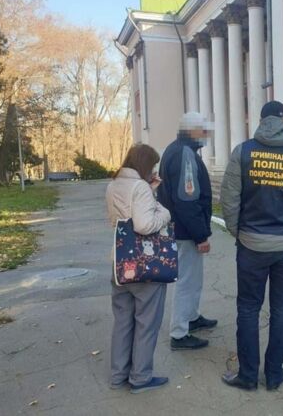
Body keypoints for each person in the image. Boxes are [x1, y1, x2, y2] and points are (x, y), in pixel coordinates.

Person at [219, 101, 283, 391]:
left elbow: (229, 198)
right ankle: (274, 374)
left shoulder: (243, 152)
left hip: (251, 244)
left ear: (261, 120)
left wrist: (238, 232)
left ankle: (248, 376)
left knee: (248, 309)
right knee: (282, 308)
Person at [106, 143, 171, 394]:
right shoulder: (140, 187)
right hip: (145, 265)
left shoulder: (113, 184)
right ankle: (141, 377)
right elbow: (144, 225)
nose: (154, 170)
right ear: (145, 165)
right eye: (152, 166)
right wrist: (164, 212)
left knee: (122, 322)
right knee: (146, 322)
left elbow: (121, 218)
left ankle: (118, 376)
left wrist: (149, 192)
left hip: (119, 262)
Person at [157, 112, 218, 351]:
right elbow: (187, 199)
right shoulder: (184, 154)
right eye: (203, 129)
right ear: (191, 130)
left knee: (193, 279)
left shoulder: (177, 149)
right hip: (185, 231)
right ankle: (179, 333)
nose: (206, 134)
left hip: (180, 228)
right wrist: (200, 235)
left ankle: (191, 318)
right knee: (186, 281)